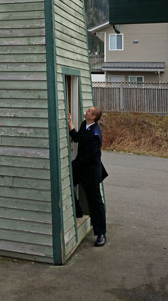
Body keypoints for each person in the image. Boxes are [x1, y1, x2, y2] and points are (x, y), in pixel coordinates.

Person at [68, 106, 108, 247]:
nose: (86, 112)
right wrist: (70, 123)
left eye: (88, 111)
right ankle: (77, 211)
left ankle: (101, 233)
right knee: (66, 184)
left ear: (93, 117)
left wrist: (74, 164)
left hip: (90, 172)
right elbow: (78, 138)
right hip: (80, 167)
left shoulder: (95, 135)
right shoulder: (85, 124)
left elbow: (89, 158)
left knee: (95, 202)